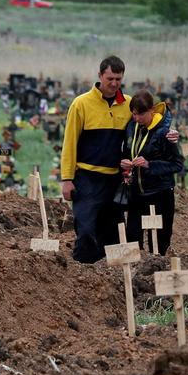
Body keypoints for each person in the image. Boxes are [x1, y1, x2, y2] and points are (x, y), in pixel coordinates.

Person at [60, 55, 131, 263]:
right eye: (110, 79)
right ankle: (81, 273)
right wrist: (67, 179)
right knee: (86, 230)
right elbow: (70, 143)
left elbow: (150, 120)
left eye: (118, 79)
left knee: (113, 233)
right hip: (87, 179)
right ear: (100, 76)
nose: (114, 83)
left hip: (114, 180)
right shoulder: (81, 104)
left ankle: (111, 276)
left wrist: (168, 132)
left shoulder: (128, 104)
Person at [120, 90, 183, 254]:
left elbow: (177, 164)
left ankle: (158, 268)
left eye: (141, 114)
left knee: (159, 243)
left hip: (160, 194)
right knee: (132, 238)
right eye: (134, 114)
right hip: (137, 193)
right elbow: (126, 151)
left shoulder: (164, 133)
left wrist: (149, 164)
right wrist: (124, 162)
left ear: (152, 110)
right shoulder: (131, 127)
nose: (137, 118)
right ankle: (136, 270)